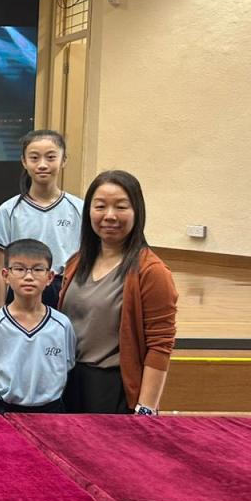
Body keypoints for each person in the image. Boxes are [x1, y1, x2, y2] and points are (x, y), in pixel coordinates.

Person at [59, 169, 178, 415]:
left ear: (137, 212)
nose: (110, 216)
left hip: (113, 388)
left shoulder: (151, 271)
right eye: (100, 206)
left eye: (121, 207)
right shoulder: (76, 262)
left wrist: (146, 407)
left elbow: (160, 345)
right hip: (68, 382)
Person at [0, 239, 75, 413]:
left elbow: (66, 368)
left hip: (52, 411)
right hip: (5, 409)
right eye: (19, 269)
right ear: (5, 275)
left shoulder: (62, 324)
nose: (29, 277)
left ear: (50, 277)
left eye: (38, 269)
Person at [0, 129, 83, 308]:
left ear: (63, 160)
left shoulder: (79, 208)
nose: (42, 165)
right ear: (24, 161)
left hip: (66, 290)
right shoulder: (9, 210)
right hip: (20, 289)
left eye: (50, 157)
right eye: (34, 158)